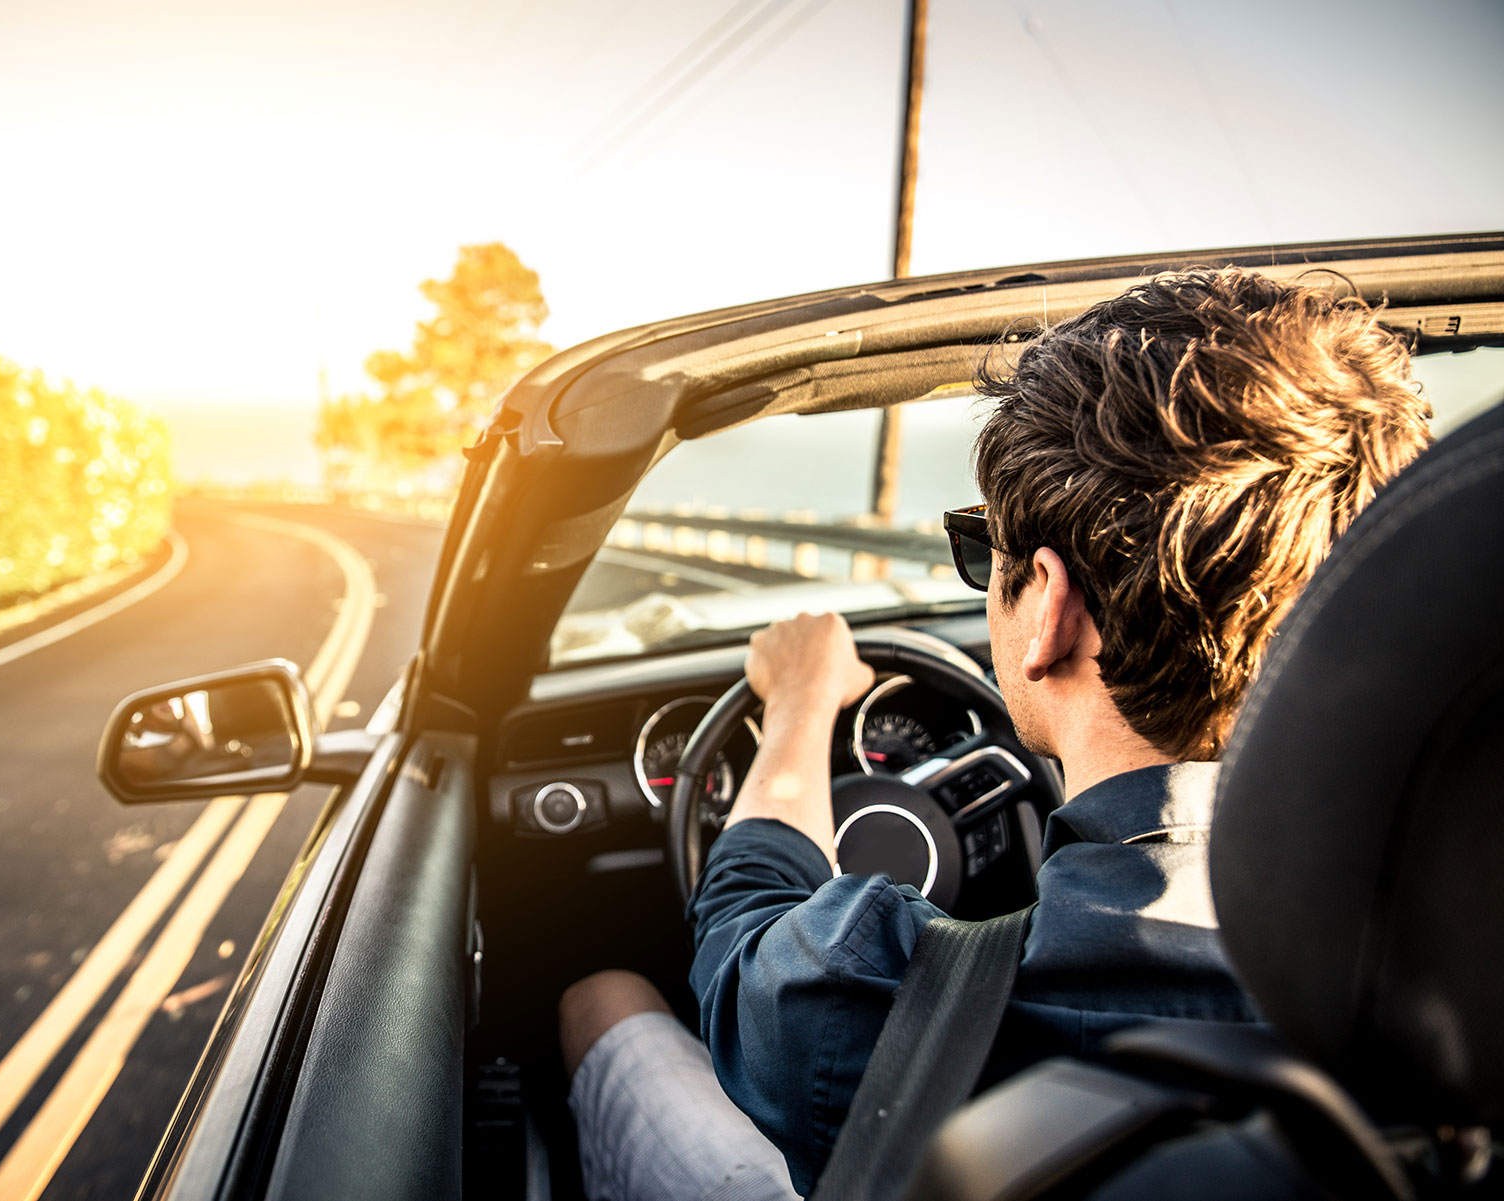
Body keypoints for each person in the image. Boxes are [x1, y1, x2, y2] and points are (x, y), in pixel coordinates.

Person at [557, 267, 1432, 1201]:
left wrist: (803, 704)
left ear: (1050, 606)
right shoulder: (1454, 978)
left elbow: (740, 937)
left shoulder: (882, 1002)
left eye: (986, 550)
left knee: (602, 997)